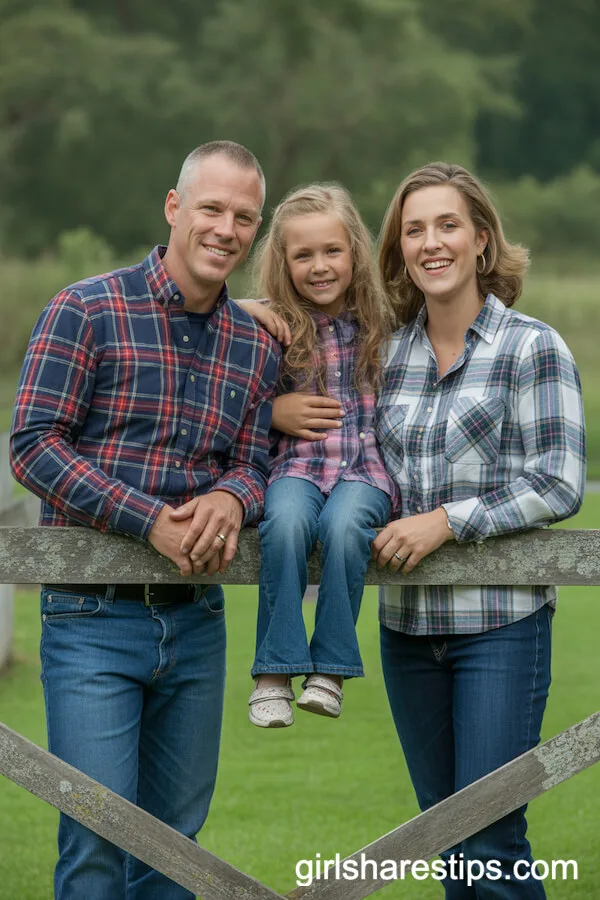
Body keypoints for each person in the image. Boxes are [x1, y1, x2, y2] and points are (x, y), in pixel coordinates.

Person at [10, 141, 280, 900]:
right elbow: (33, 446)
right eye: (212, 209)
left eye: (244, 217)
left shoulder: (254, 346)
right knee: (96, 841)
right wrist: (148, 521)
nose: (226, 229)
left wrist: (232, 498)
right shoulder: (85, 308)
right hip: (90, 619)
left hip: (197, 621)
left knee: (174, 854)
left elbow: (253, 461)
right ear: (173, 207)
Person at [370, 162, 585, 897]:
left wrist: (448, 523)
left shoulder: (532, 347)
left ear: (482, 241)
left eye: (448, 225)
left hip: (501, 626)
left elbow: (558, 481)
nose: (431, 243)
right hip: (404, 629)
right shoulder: (385, 355)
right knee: (444, 835)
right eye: (414, 229)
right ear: (399, 251)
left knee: (488, 837)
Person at [245, 184, 396, 728]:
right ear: (283, 263)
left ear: (355, 251)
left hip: (365, 470)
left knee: (345, 525)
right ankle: (274, 671)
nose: (319, 266)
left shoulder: (385, 320)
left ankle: (330, 669)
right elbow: (207, 321)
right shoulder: (274, 325)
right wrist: (270, 412)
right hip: (298, 469)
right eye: (302, 254)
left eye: (332, 251)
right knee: (282, 522)